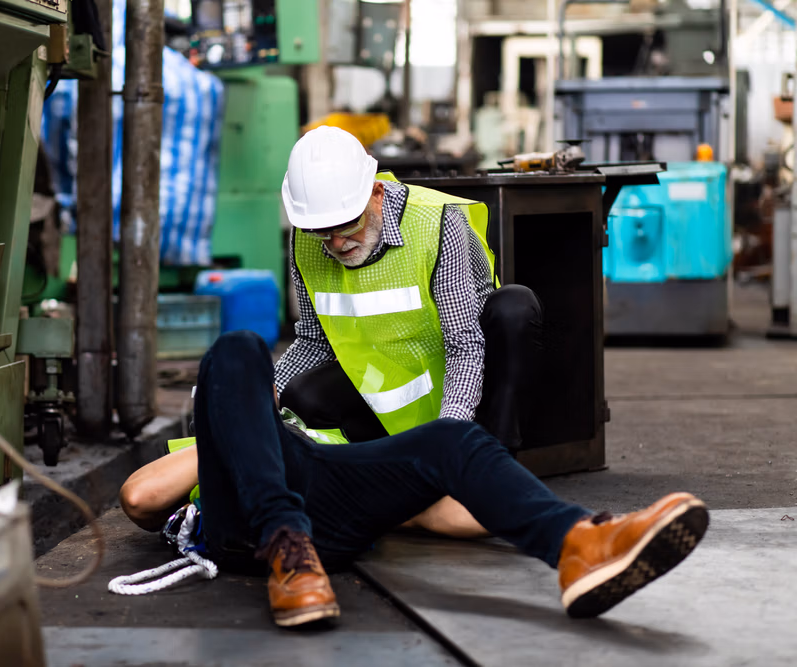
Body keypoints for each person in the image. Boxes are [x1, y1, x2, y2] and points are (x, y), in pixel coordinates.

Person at [121, 331, 709, 628]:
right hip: (249, 526)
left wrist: (482, 498)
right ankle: (288, 552)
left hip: (328, 497)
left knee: (452, 438)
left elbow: (452, 517)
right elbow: (139, 498)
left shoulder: (318, 435)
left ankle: (580, 545)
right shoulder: (207, 450)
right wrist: (238, 428)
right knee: (237, 346)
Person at [276, 126, 542, 453]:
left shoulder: (434, 224)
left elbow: (463, 345)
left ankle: (492, 461)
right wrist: (264, 390)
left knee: (515, 306)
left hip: (464, 384)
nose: (336, 244)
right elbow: (314, 340)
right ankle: (377, 462)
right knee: (298, 396)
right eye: (321, 232)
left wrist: (449, 435)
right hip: (390, 384)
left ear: (376, 193)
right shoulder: (306, 238)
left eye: (347, 225)